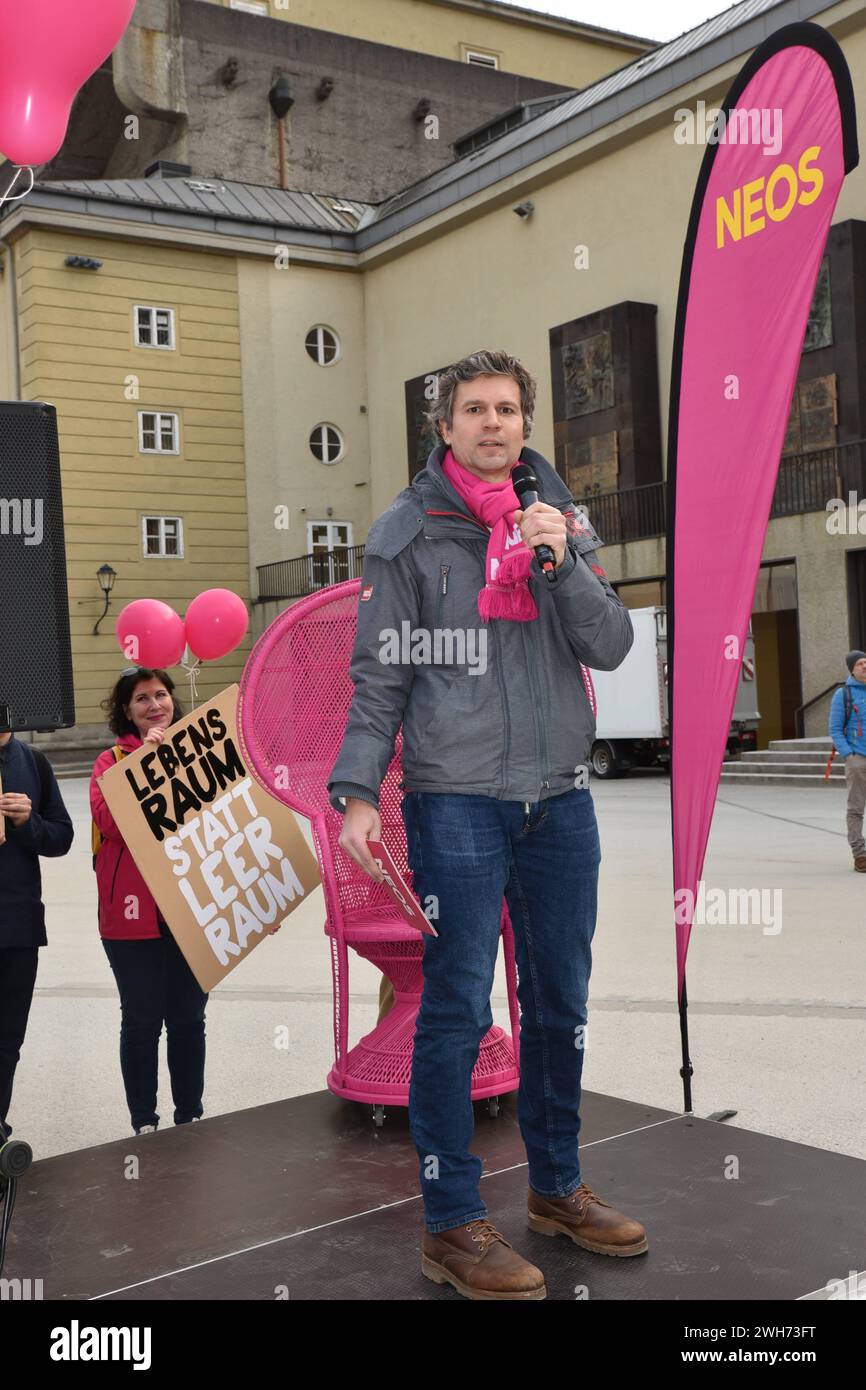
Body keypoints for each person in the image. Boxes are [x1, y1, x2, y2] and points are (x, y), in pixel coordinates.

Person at [328, 348, 647, 1301]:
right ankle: (451, 1221)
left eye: (509, 408)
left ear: (524, 420)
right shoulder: (408, 534)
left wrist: (559, 561)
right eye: (476, 409)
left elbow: (612, 642)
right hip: (455, 801)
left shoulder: (560, 520)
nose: (495, 423)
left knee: (559, 1002)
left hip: (559, 800)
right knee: (458, 1010)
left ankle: (556, 1189)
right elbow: (379, 677)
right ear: (447, 425)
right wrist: (353, 791)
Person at [90, 667, 208, 1136]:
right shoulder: (110, 761)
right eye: (142, 699)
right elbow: (113, 822)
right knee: (141, 1022)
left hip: (190, 914)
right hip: (131, 919)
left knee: (188, 1019)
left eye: (161, 695)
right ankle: (145, 1121)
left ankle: (190, 1117)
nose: (154, 704)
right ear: (127, 711)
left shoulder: (198, 753)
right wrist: (149, 765)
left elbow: (226, 825)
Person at [0, 726, 74, 1138]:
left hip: (18, 926)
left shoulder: (35, 762)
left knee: (7, 1042)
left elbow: (62, 836)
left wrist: (29, 823)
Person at [828, 650, 866, 871]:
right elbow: (834, 728)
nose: (865, 666)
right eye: (860, 663)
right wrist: (849, 757)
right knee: (856, 809)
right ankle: (860, 854)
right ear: (852, 668)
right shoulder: (843, 694)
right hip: (857, 759)